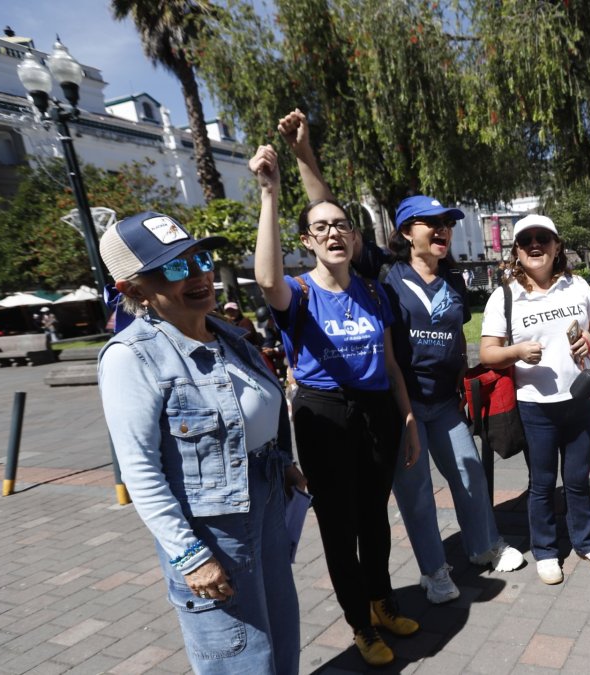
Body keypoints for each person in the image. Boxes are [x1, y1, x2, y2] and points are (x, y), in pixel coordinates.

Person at [274, 109, 525, 606]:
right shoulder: (383, 272)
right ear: (407, 231)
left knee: (469, 473)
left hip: (446, 404)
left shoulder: (455, 281)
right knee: (415, 496)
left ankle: (483, 547)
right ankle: (435, 573)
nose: (442, 229)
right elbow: (327, 214)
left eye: (446, 223)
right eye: (429, 223)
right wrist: (304, 153)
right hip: (400, 407)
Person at [97, 211, 304, 674]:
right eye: (173, 268)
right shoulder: (132, 358)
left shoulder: (229, 335)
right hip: (212, 533)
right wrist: (190, 556)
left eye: (199, 258)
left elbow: (259, 412)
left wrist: (282, 461)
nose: (197, 275)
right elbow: (141, 471)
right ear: (133, 289)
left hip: (266, 500)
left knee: (282, 639)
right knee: (241, 656)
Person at [249, 144, 422, 667]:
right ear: (306, 241)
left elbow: (391, 365)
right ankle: (359, 624)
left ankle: (382, 601)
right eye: (321, 227)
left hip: (377, 414)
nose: (333, 232)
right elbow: (265, 280)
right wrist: (269, 192)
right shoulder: (297, 293)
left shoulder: (373, 293)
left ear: (354, 234)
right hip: (323, 415)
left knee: (375, 519)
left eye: (341, 224)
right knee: (339, 526)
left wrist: (408, 419)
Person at [479, 215, 590, 585]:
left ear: (557, 246)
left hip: (579, 398)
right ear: (517, 251)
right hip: (535, 404)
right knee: (541, 482)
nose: (535, 245)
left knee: (575, 478)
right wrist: (518, 351)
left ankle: (586, 542)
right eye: (526, 241)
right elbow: (488, 352)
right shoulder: (505, 295)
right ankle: (545, 550)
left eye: (543, 238)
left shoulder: (577, 286)